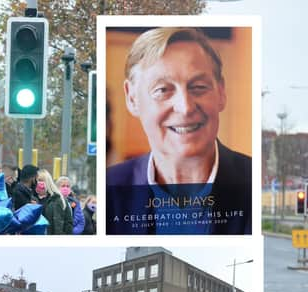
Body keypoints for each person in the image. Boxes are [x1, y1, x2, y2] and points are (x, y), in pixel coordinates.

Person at [106, 27, 251, 235]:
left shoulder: (252, 185)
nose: (185, 107)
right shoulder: (109, 189)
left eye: (199, 86)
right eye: (163, 90)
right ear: (132, 99)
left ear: (221, 92)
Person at [36, 170, 72, 235]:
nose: (40, 183)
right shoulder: (32, 198)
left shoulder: (57, 199)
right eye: (38, 180)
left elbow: (68, 222)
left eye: (42, 180)